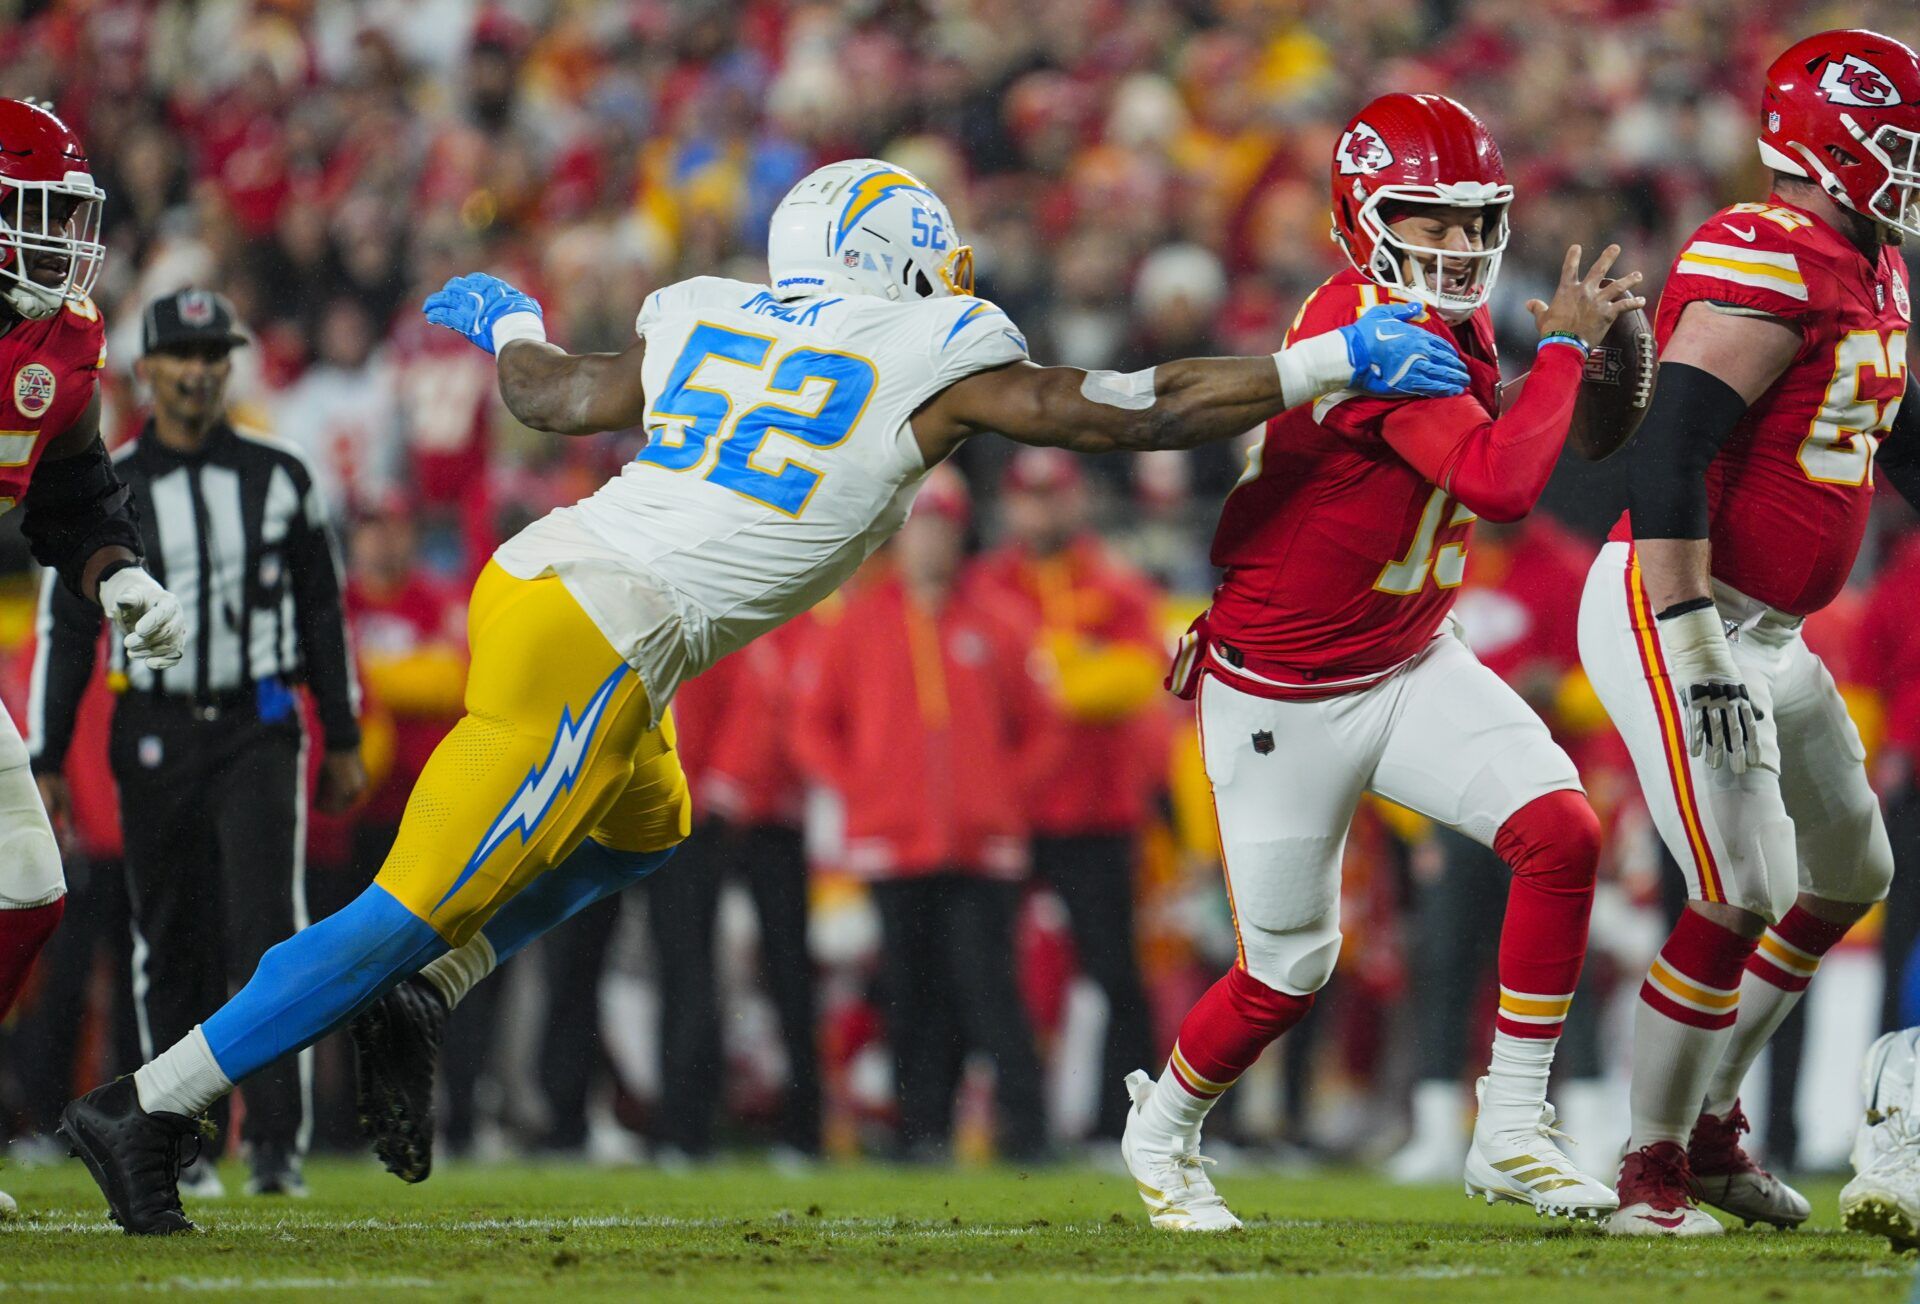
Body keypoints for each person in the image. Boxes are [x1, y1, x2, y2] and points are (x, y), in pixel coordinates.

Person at [57, 156, 1468, 1234]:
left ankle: (435, 985)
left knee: (647, 828)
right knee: (399, 910)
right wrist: (1319, 362)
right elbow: (1130, 409)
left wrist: (511, 320)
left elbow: (550, 400)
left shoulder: (710, 310)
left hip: (564, 593)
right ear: (897, 255)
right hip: (604, 633)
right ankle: (151, 1109)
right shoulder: (938, 349)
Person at [1120, 93, 1645, 1230]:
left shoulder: (1448, 316)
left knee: (1560, 829)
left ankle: (1509, 1128)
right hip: (1284, 691)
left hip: (1408, 658)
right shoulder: (1373, 330)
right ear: (1362, 214)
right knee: (1287, 971)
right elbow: (1499, 485)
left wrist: (1571, 375)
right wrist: (1562, 350)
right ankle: (1160, 1127)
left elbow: (1521, 442)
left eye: (1473, 223)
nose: (1457, 249)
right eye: (1430, 221)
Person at [1575, 29, 1919, 1236]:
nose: (1913, 166)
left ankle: (1713, 1125)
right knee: (1741, 885)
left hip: (1772, 627)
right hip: (1684, 605)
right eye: (1897, 143)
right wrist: (1696, 638)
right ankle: (1650, 1169)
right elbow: (1671, 447)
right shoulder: (1765, 249)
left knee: (1851, 872)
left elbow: (1897, 433)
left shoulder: (1871, 263)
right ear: (1827, 141)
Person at [33, 287, 367, 1197]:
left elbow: (322, 611)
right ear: (147, 371)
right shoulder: (110, 486)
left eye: (215, 355)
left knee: (269, 934)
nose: (199, 372)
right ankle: (180, 1143)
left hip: (258, 724)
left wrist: (340, 733)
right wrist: (49, 755)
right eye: (183, 356)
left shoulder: (281, 473)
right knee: (167, 939)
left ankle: (275, 1148)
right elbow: (70, 627)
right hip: (153, 727)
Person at [0, 100, 188, 1216]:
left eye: (72, 212)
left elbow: (70, 490)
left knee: (28, 884)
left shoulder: (59, 338)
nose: (62, 235)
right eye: (39, 209)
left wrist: (118, 572)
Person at [793, 467, 1053, 1161]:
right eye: (918, 525)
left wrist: (1005, 792)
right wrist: (863, 788)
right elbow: (813, 725)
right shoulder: (859, 624)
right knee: (909, 993)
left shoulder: (1000, 621)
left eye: (940, 525)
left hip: (983, 843)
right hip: (894, 841)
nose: (929, 540)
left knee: (989, 991)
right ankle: (918, 1131)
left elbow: (1044, 726)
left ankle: (1027, 1131)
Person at [971, 448, 1163, 1143]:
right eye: (1030, 496)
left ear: (1078, 499)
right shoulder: (987, 586)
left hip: (1095, 810)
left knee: (1117, 974)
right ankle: (1013, 1123)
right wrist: (1073, 675)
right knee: (990, 973)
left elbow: (1139, 676)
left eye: (1054, 495)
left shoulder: (1115, 586)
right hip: (1007, 812)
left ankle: (1130, 1124)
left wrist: (1045, 682)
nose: (1042, 509)